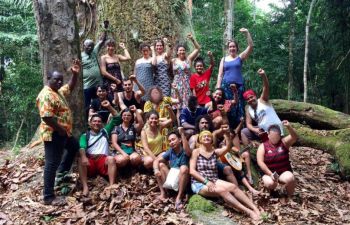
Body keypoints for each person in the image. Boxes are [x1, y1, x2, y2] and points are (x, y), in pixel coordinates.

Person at [189, 129, 261, 221]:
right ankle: (248, 212)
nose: (206, 137)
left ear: (212, 140)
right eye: (204, 136)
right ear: (200, 139)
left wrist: (227, 135)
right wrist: (206, 181)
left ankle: (255, 208)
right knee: (223, 190)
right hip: (199, 183)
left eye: (208, 136)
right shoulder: (196, 152)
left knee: (233, 187)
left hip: (214, 179)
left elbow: (228, 147)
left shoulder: (215, 152)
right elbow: (192, 171)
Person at [36, 59, 81, 205]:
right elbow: (47, 117)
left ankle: (62, 174)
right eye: (56, 80)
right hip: (54, 134)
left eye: (61, 80)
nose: (60, 83)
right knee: (51, 163)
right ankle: (48, 196)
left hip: (63, 133)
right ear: (49, 79)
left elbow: (70, 87)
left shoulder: (57, 92)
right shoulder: (46, 95)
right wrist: (62, 131)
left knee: (74, 146)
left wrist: (74, 74)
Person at [78, 101, 121, 196]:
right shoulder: (85, 135)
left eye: (99, 121)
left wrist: (109, 107)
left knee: (111, 159)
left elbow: (117, 118)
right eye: (94, 121)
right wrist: (84, 157)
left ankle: (112, 185)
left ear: (101, 123)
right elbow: (82, 147)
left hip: (103, 160)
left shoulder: (105, 132)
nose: (96, 123)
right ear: (90, 123)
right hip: (91, 161)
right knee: (81, 159)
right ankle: (85, 186)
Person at [216, 28, 253, 128]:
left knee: (239, 106)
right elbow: (220, 75)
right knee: (227, 106)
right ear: (228, 48)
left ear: (237, 48)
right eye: (230, 47)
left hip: (239, 86)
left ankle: (240, 129)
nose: (232, 48)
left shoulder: (240, 57)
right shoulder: (223, 59)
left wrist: (247, 33)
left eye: (234, 47)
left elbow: (250, 46)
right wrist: (218, 88)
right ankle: (227, 128)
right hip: (226, 86)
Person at [241, 68, 283, 147]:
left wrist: (263, 75)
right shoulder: (248, 109)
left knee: (272, 147)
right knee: (244, 132)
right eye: (248, 99)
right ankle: (248, 152)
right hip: (262, 131)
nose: (250, 100)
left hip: (274, 129)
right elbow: (248, 124)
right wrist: (255, 129)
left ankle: (264, 146)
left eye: (251, 97)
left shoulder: (262, 100)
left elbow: (266, 87)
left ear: (255, 96)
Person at [257, 121, 298, 197]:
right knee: (270, 183)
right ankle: (273, 192)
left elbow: (294, 137)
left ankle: (290, 196)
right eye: (272, 136)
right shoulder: (263, 146)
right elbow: (260, 162)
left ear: (280, 135)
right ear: (268, 135)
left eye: (276, 136)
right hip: (269, 173)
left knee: (290, 178)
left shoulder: (284, 142)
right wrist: (270, 174)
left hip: (283, 171)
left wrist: (289, 127)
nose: (274, 138)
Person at [153, 127, 191, 210]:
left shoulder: (184, 149)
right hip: (172, 180)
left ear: (180, 140)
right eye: (169, 141)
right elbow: (156, 160)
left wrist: (182, 134)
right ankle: (163, 193)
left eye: (173, 139)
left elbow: (188, 152)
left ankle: (179, 197)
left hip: (183, 182)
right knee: (161, 165)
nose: (171, 142)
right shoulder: (170, 151)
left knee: (184, 168)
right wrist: (156, 170)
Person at [144, 86, 179, 151]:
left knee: (165, 128)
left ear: (160, 93)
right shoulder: (148, 103)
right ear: (150, 95)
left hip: (167, 124)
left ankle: (167, 150)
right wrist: (164, 119)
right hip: (154, 123)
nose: (155, 95)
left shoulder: (165, 100)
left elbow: (178, 100)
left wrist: (177, 90)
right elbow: (148, 117)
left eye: (157, 93)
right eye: (153, 93)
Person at [171, 33, 200, 109]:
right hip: (177, 84)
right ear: (177, 52)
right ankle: (177, 120)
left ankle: (186, 120)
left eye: (183, 50)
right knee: (177, 105)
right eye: (180, 50)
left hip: (187, 84)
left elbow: (197, 49)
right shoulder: (173, 61)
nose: (182, 52)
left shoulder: (189, 59)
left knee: (187, 105)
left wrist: (192, 39)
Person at [81, 32, 107, 110]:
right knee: (87, 105)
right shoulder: (80, 56)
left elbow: (102, 41)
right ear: (84, 46)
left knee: (99, 103)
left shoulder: (94, 52)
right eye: (88, 46)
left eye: (92, 46)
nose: (90, 48)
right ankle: (87, 120)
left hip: (98, 85)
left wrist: (105, 30)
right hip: (87, 85)